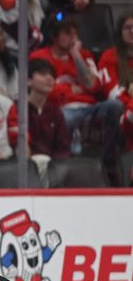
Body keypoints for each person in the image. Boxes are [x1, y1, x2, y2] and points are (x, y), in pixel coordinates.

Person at [30, 15, 124, 175]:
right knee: (66, 117)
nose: (73, 38)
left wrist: (76, 55)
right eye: (67, 33)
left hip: (90, 108)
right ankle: (64, 164)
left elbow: (94, 85)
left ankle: (109, 162)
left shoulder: (84, 55)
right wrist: (70, 90)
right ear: (54, 35)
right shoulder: (40, 56)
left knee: (115, 106)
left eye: (75, 34)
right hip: (61, 109)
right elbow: (44, 89)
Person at [28, 58, 70, 178]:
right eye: (42, 74)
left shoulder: (56, 113)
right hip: (24, 167)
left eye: (52, 75)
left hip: (52, 169)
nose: (49, 78)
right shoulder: (17, 109)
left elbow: (63, 149)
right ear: (28, 81)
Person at [99, 12, 133, 153]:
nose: (132, 31)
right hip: (124, 113)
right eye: (127, 27)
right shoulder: (109, 56)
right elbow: (112, 93)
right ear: (120, 32)